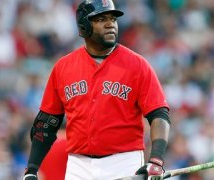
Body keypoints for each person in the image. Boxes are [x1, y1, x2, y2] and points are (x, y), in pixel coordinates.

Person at [23, 0, 171, 180]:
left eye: (113, 19)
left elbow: (159, 115)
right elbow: (47, 122)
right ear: (84, 26)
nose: (110, 24)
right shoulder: (63, 67)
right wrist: (31, 169)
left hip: (124, 162)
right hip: (78, 166)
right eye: (101, 19)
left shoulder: (138, 65)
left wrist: (156, 160)